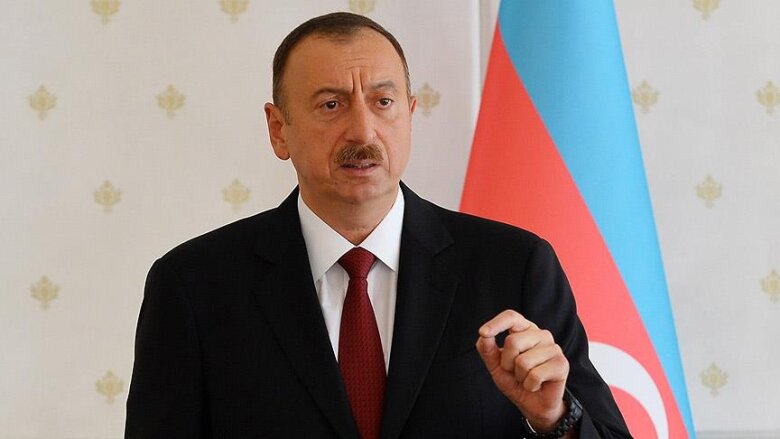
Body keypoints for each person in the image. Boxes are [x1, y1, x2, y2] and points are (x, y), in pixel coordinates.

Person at [125, 12, 631, 439]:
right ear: (279, 130)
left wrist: (554, 420)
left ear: (409, 115)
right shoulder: (194, 285)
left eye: (383, 102)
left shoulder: (513, 266)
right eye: (331, 105)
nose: (363, 131)